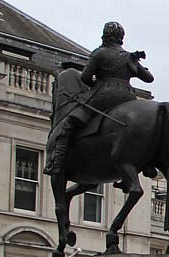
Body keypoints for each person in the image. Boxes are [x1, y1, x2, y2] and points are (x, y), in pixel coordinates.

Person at [44, 21, 154, 175]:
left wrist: (95, 84)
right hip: (127, 98)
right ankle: (147, 164)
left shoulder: (100, 53)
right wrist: (136, 66)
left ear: (105, 36)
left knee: (69, 124)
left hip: (103, 96)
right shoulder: (129, 57)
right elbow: (149, 78)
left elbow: (85, 77)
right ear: (121, 38)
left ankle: (57, 164)